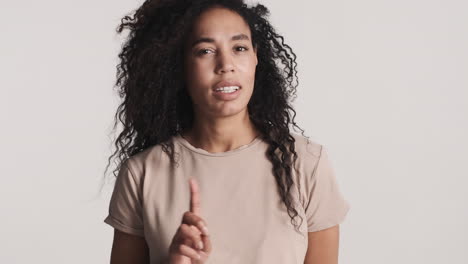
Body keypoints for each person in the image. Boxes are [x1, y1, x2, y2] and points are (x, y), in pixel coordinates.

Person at [102, 0, 350, 263]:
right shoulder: (142, 173)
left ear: (256, 56)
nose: (226, 64)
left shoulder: (307, 164)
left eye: (239, 48)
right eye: (205, 51)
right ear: (179, 65)